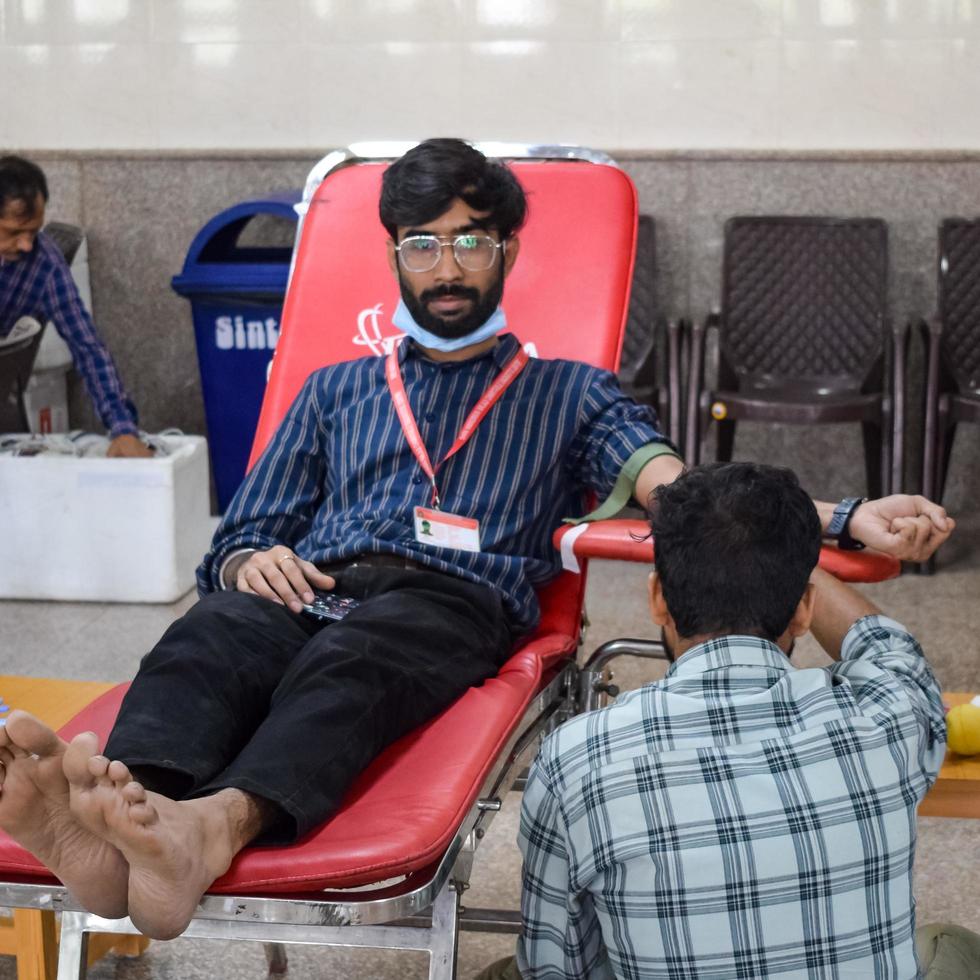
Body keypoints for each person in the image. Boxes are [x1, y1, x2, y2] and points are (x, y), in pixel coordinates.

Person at [0, 140, 953, 944]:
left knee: (353, 663)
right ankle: (131, 819)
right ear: (393, 255)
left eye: (469, 241)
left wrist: (837, 516)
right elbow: (246, 526)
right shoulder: (334, 390)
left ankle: (213, 826)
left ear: (507, 250)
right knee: (208, 635)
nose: (447, 267)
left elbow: (683, 492)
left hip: (446, 600)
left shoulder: (569, 393)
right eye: (424, 244)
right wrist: (249, 560)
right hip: (310, 583)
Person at [482, 462, 956, 980]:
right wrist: (787, 564)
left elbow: (557, 967)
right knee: (951, 946)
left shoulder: (576, 759)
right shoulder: (889, 718)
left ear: (658, 597)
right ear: (805, 609)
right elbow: (888, 647)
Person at [0, 155, 151, 457]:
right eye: (15, 232)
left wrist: (122, 427)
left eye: (33, 231)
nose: (27, 244)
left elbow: (87, 346)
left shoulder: (44, 263)